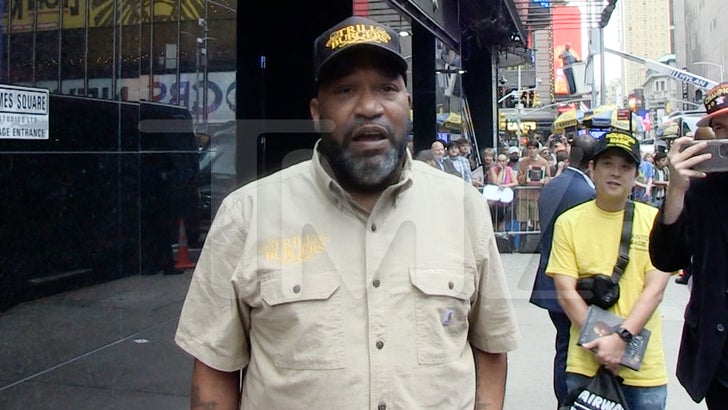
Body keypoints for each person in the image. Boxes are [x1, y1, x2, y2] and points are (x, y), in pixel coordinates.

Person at [174, 15, 520, 410]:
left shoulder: (462, 208)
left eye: (387, 89)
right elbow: (214, 375)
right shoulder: (247, 215)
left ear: (408, 105)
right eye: (346, 90)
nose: (369, 106)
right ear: (317, 111)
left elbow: (491, 349)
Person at [547, 131, 672, 410]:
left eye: (625, 167)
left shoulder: (655, 221)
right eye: (607, 164)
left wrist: (621, 339)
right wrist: (605, 344)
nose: (616, 173)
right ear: (592, 168)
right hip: (586, 366)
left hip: (644, 372)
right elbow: (566, 291)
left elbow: (655, 289)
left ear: (637, 174)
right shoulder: (569, 222)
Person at [649, 82, 728, 408]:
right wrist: (676, 190)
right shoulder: (699, 188)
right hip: (720, 358)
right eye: (720, 128)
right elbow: (667, 258)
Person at [528, 134, 597, 408]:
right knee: (573, 348)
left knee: (564, 345)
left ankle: (564, 399)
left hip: (551, 279)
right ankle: (569, 399)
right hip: (571, 283)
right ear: (592, 163)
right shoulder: (586, 193)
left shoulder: (554, 184)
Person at [517, 139, 551, 231]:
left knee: (537, 222)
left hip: (537, 196)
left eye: (533, 148)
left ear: (537, 149)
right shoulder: (523, 162)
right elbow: (519, 179)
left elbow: (548, 177)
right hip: (524, 196)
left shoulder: (544, 162)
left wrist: (545, 181)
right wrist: (526, 173)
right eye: (529, 148)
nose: (531, 150)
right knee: (522, 223)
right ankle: (522, 244)